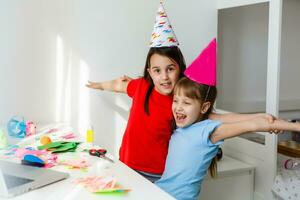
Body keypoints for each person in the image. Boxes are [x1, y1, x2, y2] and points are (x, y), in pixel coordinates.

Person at [86, 3, 279, 182]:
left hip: (157, 174)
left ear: (180, 69)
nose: (164, 77)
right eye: (157, 70)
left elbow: (215, 117)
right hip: (126, 166)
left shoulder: (181, 102)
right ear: (149, 73)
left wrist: (257, 117)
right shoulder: (141, 87)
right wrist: (99, 85)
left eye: (170, 68)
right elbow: (118, 84)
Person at [155, 39, 300, 200]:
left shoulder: (207, 131)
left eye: (186, 102)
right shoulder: (190, 123)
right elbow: (230, 117)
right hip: (158, 192)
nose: (179, 107)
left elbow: (252, 125)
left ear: (203, 107)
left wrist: (294, 127)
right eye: (176, 100)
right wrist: (259, 115)